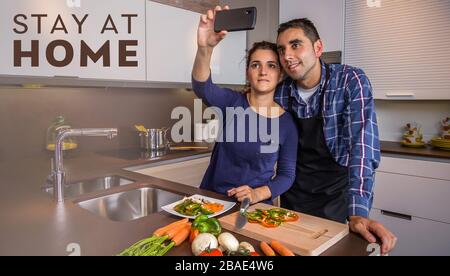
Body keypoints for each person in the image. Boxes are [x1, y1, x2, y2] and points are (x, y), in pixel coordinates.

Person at [275, 18, 397, 254]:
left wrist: (358, 213)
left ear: (318, 48)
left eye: (296, 45)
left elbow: (362, 146)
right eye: (282, 49)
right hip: (293, 196)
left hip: (336, 195)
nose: (287, 55)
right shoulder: (281, 92)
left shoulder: (350, 81)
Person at [191, 6, 298, 205]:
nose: (263, 71)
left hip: (254, 209)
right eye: (255, 65)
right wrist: (204, 49)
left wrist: (257, 194)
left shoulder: (287, 124)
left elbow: (286, 175)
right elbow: (202, 87)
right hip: (213, 202)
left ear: (281, 74)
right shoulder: (233, 103)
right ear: (248, 72)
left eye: (271, 65)